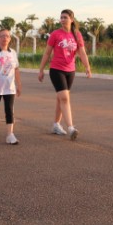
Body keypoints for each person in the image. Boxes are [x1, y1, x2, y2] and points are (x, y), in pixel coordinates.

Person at [38, 9, 92, 140]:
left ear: (71, 19)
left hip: (70, 71)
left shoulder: (77, 35)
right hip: (56, 69)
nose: (62, 19)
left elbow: (82, 52)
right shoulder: (55, 34)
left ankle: (56, 125)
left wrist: (87, 67)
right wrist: (41, 69)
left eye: (65, 17)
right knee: (64, 98)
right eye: (61, 17)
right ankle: (71, 128)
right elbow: (47, 53)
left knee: (60, 98)